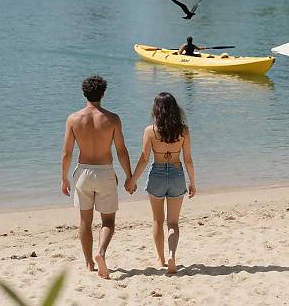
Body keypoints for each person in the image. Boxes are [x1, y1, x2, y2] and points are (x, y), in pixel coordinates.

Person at [61, 75, 135, 279]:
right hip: (105, 171)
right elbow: (122, 151)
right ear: (103, 93)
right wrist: (129, 176)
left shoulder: (74, 119)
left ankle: (88, 263)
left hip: (83, 172)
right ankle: (100, 253)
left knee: (85, 220)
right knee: (108, 221)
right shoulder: (112, 119)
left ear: (84, 93)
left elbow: (67, 152)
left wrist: (64, 177)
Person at [127, 92, 195, 274]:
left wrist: (132, 180)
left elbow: (143, 159)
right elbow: (188, 159)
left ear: (156, 110)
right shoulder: (183, 130)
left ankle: (161, 258)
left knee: (157, 220)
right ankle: (172, 255)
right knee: (173, 223)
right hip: (176, 173)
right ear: (175, 109)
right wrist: (192, 182)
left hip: (157, 173)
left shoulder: (150, 131)